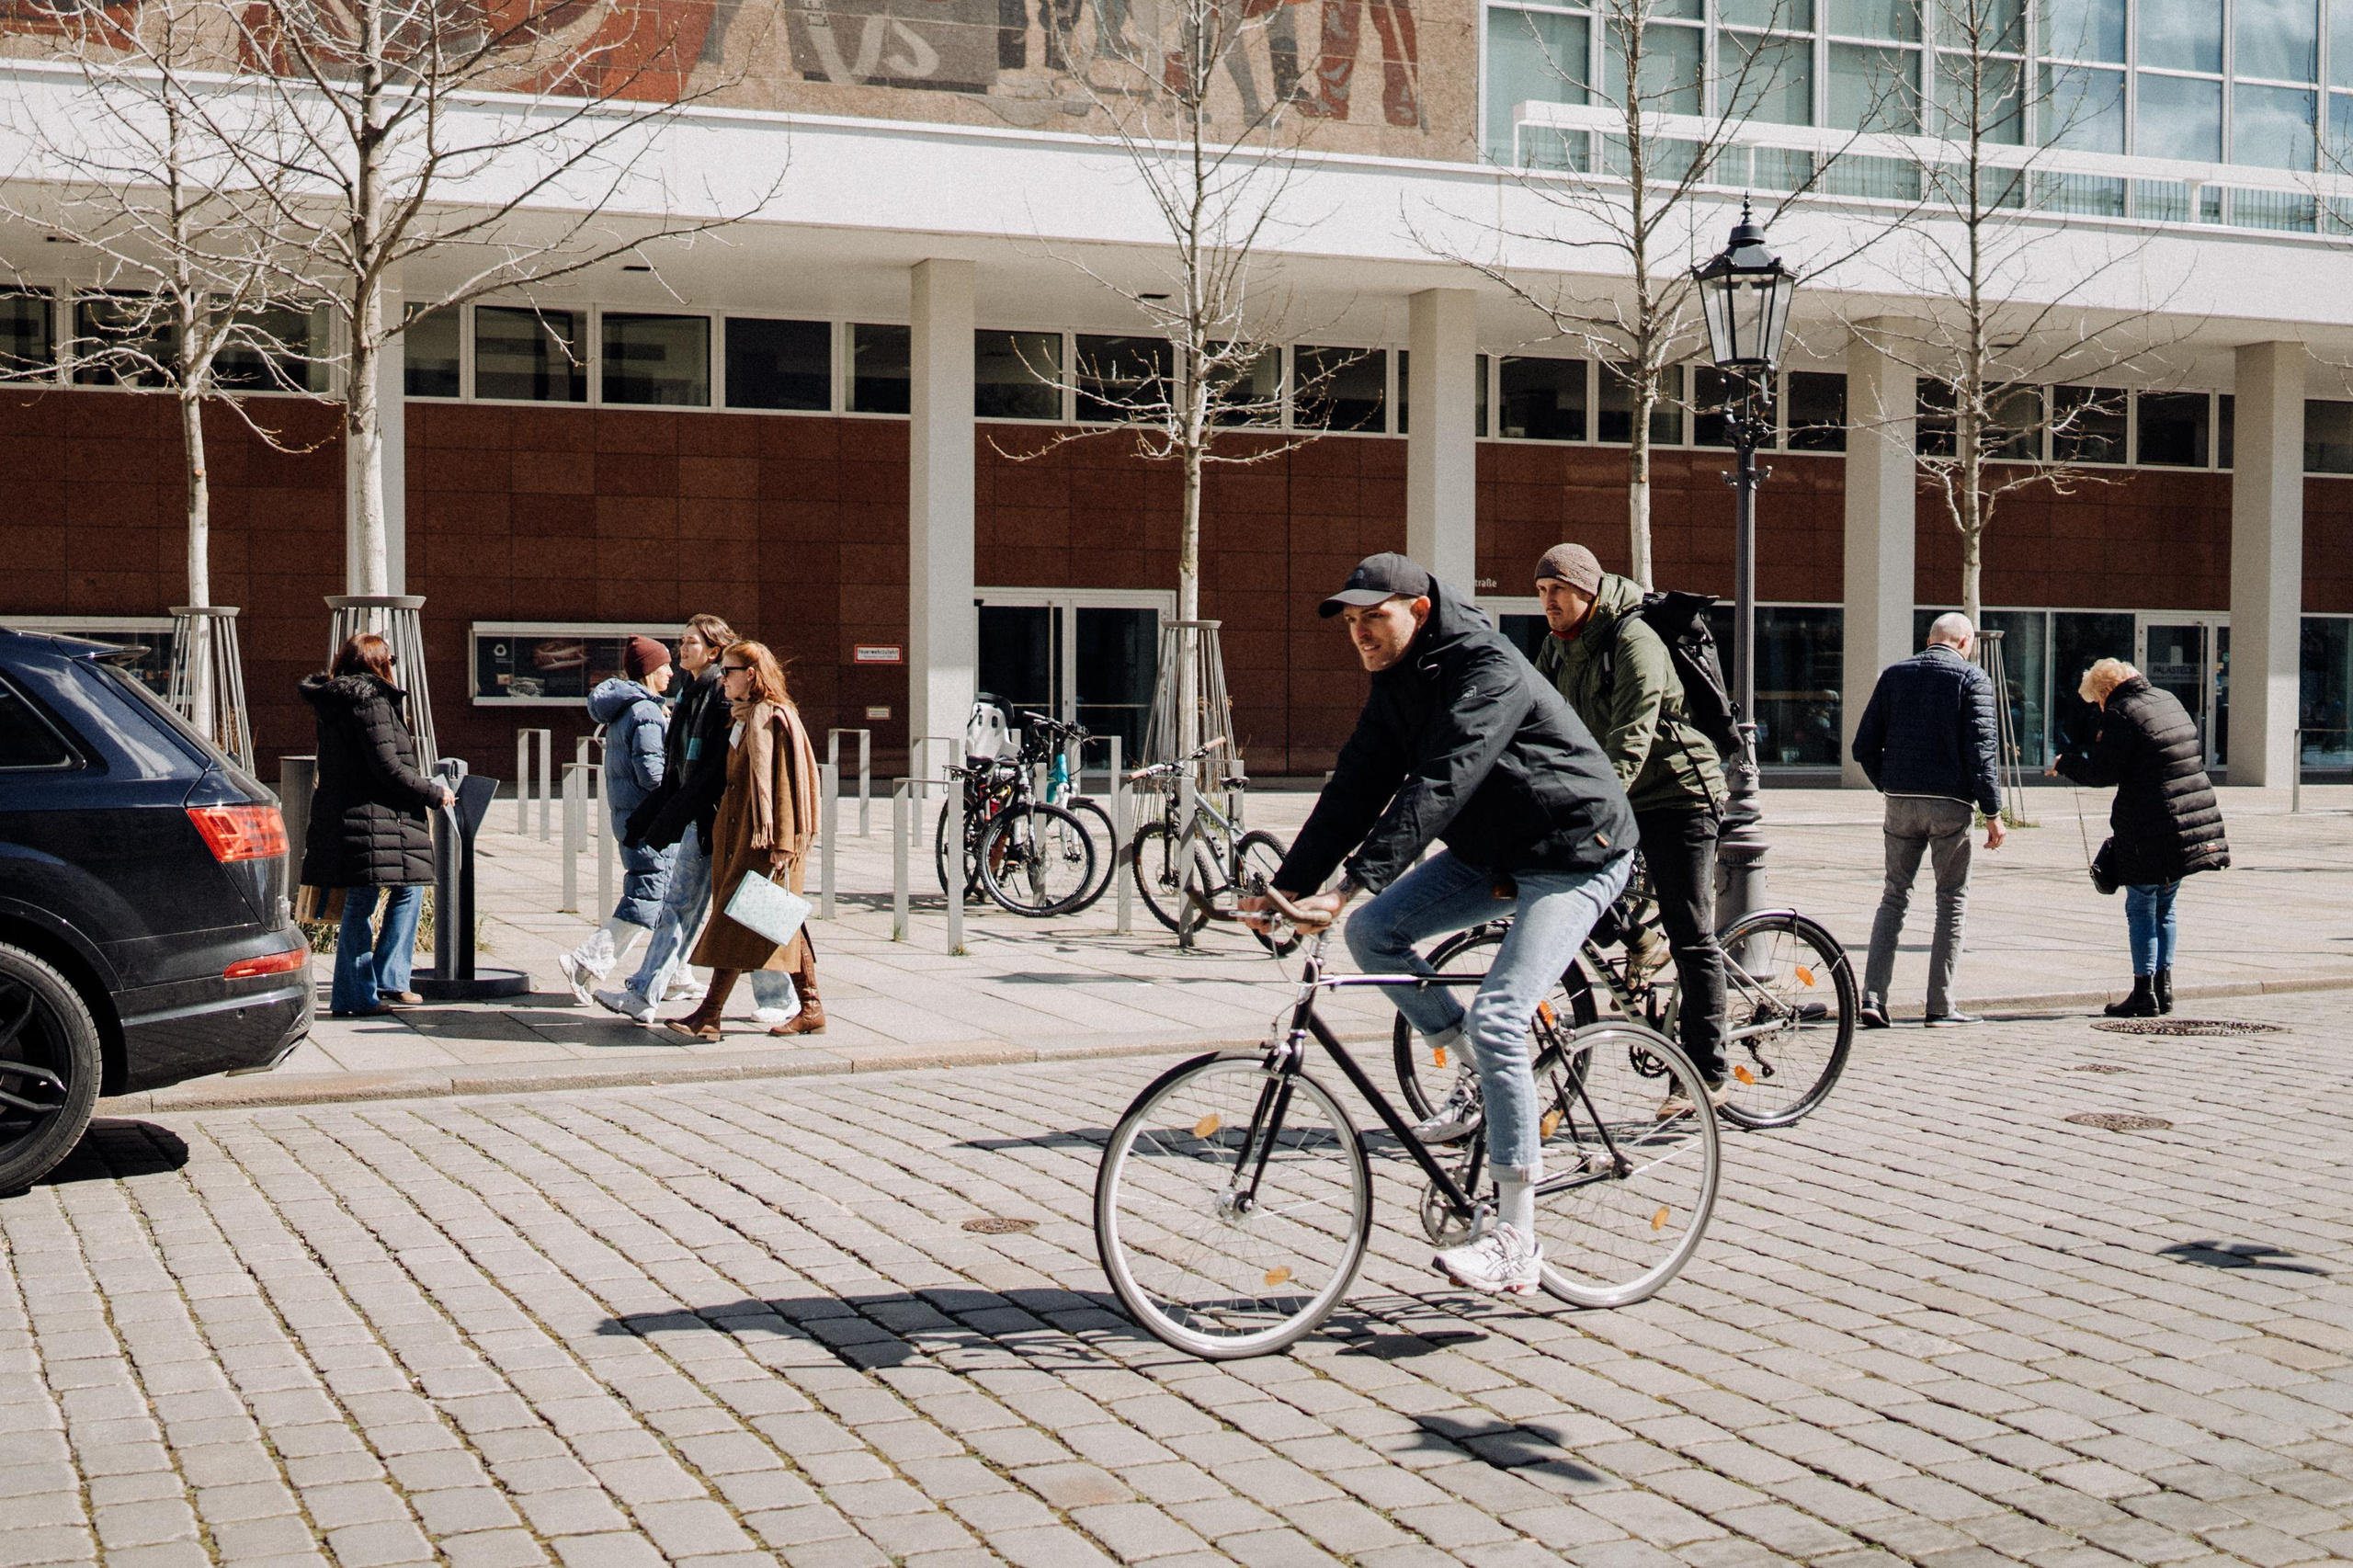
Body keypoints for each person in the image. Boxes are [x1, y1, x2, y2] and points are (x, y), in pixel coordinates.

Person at [1244, 552, 1637, 1299]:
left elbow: (1442, 781)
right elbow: (1358, 781)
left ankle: (1517, 1239)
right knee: (1374, 936)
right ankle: (1487, 1079)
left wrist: (1354, 883)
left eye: (1374, 618)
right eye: (1351, 623)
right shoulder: (1396, 683)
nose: (1360, 634)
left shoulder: (1486, 667)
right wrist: (1289, 887)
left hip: (1577, 850)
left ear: (1418, 612)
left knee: (1498, 1018)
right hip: (1494, 850)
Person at [1529, 543, 1729, 1100]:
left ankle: (1706, 1074)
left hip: (1679, 794)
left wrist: (1593, 810)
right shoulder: (1556, 647)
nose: (1548, 603)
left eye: (1558, 591)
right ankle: (1640, 938)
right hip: (1622, 794)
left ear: (1588, 590)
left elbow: (1631, 736)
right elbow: (1536, 724)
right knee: (1569, 886)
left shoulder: (1633, 639)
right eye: (1542, 592)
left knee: (1691, 932)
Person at [599, 615, 794, 1026]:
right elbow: (681, 768)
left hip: (735, 823)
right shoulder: (695, 692)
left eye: (690, 643)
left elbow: (747, 775)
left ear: (715, 649)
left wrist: (779, 835)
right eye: (681, 642)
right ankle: (646, 992)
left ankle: (787, 996)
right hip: (711, 820)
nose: (681, 650)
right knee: (690, 905)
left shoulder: (736, 702)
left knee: (754, 906)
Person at [665, 640, 826, 1041]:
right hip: (740, 834)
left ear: (751, 676)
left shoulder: (773, 719)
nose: (722, 680)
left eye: (729, 672)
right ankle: (811, 1007)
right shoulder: (744, 717)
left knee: (740, 919)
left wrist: (783, 843)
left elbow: (788, 785)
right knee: (772, 917)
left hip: (766, 838)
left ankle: (710, 1014)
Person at [1849, 612, 2005, 1028]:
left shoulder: (1895, 675)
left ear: (1931, 639)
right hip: (1951, 803)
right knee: (1951, 901)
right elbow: (1982, 754)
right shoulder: (1973, 679)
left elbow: (1863, 746)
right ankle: (1939, 1005)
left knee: (1894, 896)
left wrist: (1890, 784)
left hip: (1900, 801)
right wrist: (1993, 813)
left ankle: (1873, 999)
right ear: (1964, 641)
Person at [2054, 657, 2230, 1017]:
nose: (2100, 708)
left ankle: (2142, 992)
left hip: (2148, 826)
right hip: (2188, 820)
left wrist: (2065, 764)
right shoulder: (2167, 699)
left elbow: (2102, 772)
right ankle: (2164, 990)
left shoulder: (2121, 713)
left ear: (2105, 691)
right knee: (2166, 905)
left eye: (2097, 702)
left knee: (2140, 907)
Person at [299, 633, 455, 1018]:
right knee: (362, 902)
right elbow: (388, 766)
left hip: (359, 817)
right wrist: (433, 793)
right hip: (374, 817)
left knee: (407, 888)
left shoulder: (333, 700)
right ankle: (354, 995)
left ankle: (389, 979)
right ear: (378, 664)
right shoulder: (370, 701)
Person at [558, 636, 676, 1002]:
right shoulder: (646, 713)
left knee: (668, 899)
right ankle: (586, 961)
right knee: (648, 896)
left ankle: (675, 976)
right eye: (665, 666)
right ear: (650, 670)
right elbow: (652, 775)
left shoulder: (630, 709)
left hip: (635, 819)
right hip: (650, 822)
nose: (672, 672)